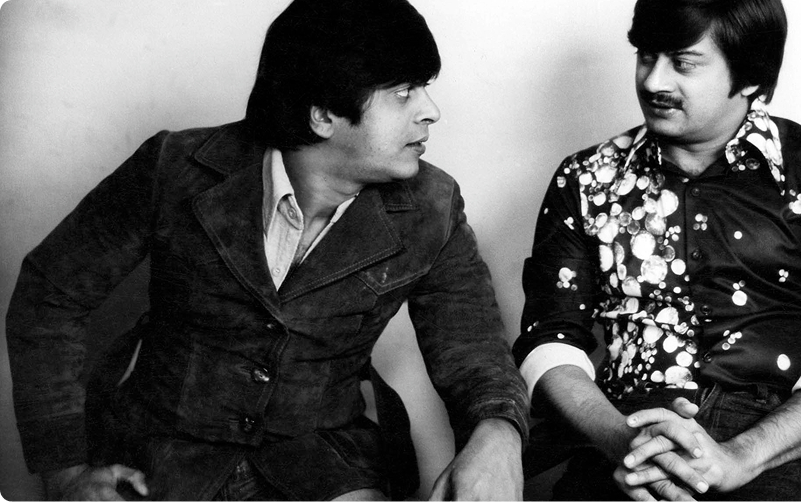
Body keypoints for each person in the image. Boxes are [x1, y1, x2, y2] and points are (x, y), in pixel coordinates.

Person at [6, 1, 529, 501]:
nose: (431, 112)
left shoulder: (433, 205)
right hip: (157, 458)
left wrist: (498, 434)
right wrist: (64, 473)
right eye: (403, 92)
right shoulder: (176, 166)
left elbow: (474, 349)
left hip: (326, 464)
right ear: (322, 115)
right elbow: (47, 296)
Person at [513, 0, 801, 500]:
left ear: (750, 76)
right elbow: (549, 338)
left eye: (683, 63)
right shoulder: (584, 178)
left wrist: (741, 456)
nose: (653, 81)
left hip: (779, 437)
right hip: (625, 429)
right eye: (646, 56)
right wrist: (623, 440)